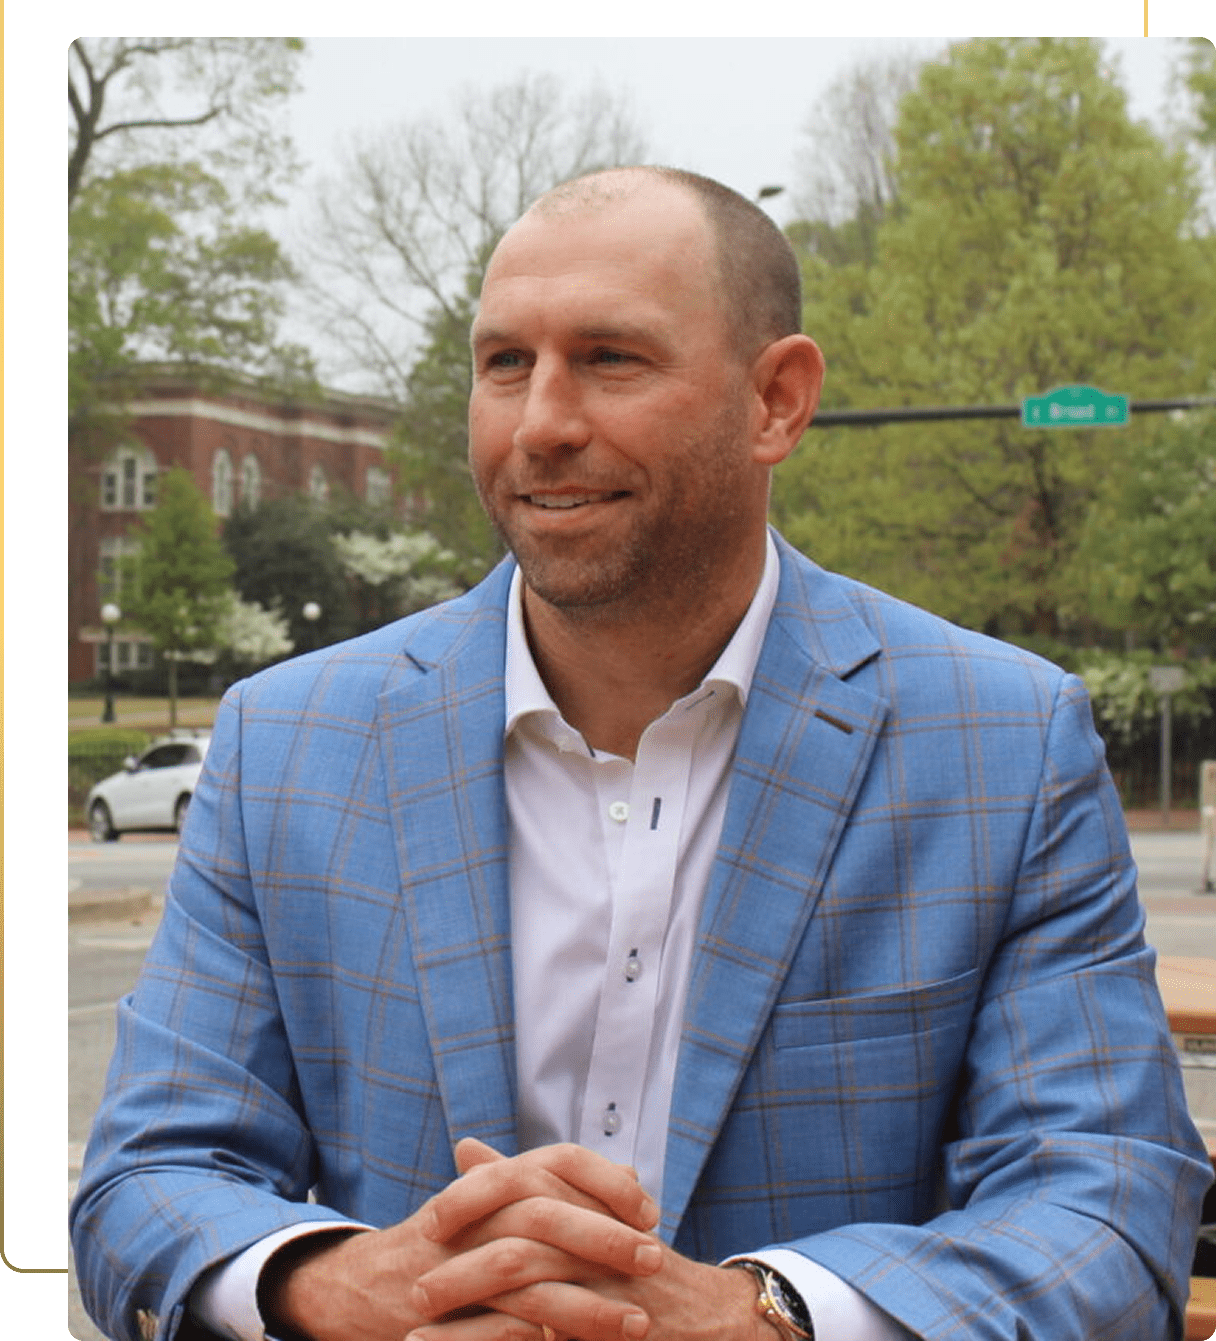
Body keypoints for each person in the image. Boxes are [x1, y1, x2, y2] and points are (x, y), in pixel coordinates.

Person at [71, 166, 1211, 1341]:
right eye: (504, 363)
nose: (542, 423)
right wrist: (332, 1287)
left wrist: (760, 1319)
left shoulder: (1003, 742)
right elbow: (147, 1172)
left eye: (611, 358)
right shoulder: (286, 740)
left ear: (777, 400)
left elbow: (1108, 1204)